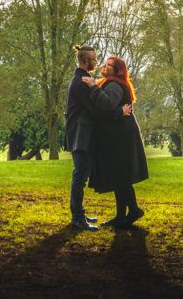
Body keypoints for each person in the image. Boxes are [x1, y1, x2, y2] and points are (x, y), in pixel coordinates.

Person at [64, 44, 132, 231]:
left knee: (81, 175)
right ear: (85, 61)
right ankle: (77, 218)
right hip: (81, 135)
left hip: (83, 135)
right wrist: (119, 111)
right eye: (94, 59)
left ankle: (80, 213)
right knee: (80, 176)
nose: (96, 62)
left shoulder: (84, 79)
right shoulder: (81, 81)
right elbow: (97, 110)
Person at [83, 55, 149, 228]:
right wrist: (117, 111)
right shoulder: (112, 83)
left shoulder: (114, 85)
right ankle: (121, 216)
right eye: (105, 64)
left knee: (121, 176)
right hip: (119, 135)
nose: (104, 66)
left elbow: (106, 103)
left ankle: (134, 210)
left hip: (120, 137)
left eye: (109, 65)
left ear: (117, 70)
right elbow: (108, 109)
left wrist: (92, 87)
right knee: (120, 176)